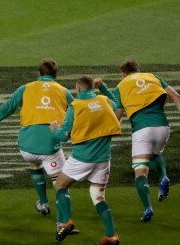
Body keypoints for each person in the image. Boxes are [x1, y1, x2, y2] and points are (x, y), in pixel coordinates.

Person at [0, 59, 75, 222]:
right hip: (49, 148)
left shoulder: (25, 89)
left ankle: (43, 203)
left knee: (35, 163)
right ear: (56, 76)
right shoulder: (63, 91)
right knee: (61, 184)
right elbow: (78, 114)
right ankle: (64, 223)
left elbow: (5, 109)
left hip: (27, 148)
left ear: (38, 74)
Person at [105, 59, 180, 222]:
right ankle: (163, 177)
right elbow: (176, 96)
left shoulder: (121, 86)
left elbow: (117, 118)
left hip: (142, 130)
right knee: (154, 154)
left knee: (140, 171)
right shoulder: (153, 77)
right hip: (163, 128)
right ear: (138, 70)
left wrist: (110, 132)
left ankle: (147, 208)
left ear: (124, 74)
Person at [50, 75, 121, 245]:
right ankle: (112, 236)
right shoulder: (104, 101)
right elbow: (117, 103)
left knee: (60, 185)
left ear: (79, 89)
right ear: (92, 88)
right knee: (98, 195)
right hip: (104, 159)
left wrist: (54, 130)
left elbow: (64, 136)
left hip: (83, 157)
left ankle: (66, 221)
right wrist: (102, 86)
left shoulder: (75, 106)